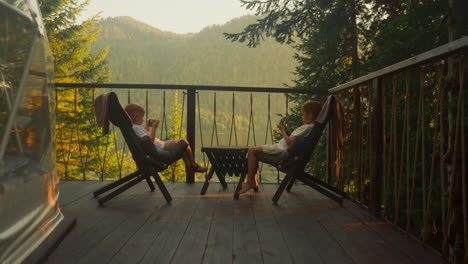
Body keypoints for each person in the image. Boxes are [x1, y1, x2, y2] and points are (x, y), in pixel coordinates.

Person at [239, 100, 322, 194]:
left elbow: (289, 141)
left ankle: (250, 182)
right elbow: (294, 142)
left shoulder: (306, 127)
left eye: (303, 114)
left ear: (310, 115)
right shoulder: (311, 128)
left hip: (280, 150)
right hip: (283, 149)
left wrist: (282, 130)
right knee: (253, 152)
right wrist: (287, 133)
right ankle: (252, 181)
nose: (301, 117)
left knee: (251, 151)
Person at [124, 103, 207, 173]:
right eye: (142, 117)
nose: (143, 119)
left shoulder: (132, 128)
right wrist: (154, 128)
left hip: (155, 148)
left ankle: (189, 166)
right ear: (136, 116)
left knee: (179, 145)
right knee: (184, 142)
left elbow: (145, 139)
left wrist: (148, 126)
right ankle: (193, 164)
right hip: (159, 149)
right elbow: (149, 141)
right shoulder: (136, 128)